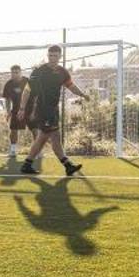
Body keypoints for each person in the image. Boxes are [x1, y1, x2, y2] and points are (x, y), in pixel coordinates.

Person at [19, 44, 86, 178]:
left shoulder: (62, 72)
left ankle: (29, 164)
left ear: (60, 56)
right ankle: (65, 165)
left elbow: (71, 86)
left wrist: (82, 95)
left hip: (53, 109)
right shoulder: (39, 71)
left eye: (55, 55)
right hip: (43, 109)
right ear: (47, 56)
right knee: (49, 137)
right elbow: (27, 90)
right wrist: (22, 108)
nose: (52, 58)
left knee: (48, 138)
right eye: (50, 55)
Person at [0, 64, 29, 160]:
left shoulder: (27, 81)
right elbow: (7, 99)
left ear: (20, 72)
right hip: (16, 110)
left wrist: (35, 109)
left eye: (16, 72)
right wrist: (8, 112)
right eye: (12, 73)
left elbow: (36, 95)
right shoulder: (9, 84)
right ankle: (13, 150)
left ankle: (38, 151)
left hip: (29, 108)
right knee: (13, 130)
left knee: (35, 129)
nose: (14, 74)